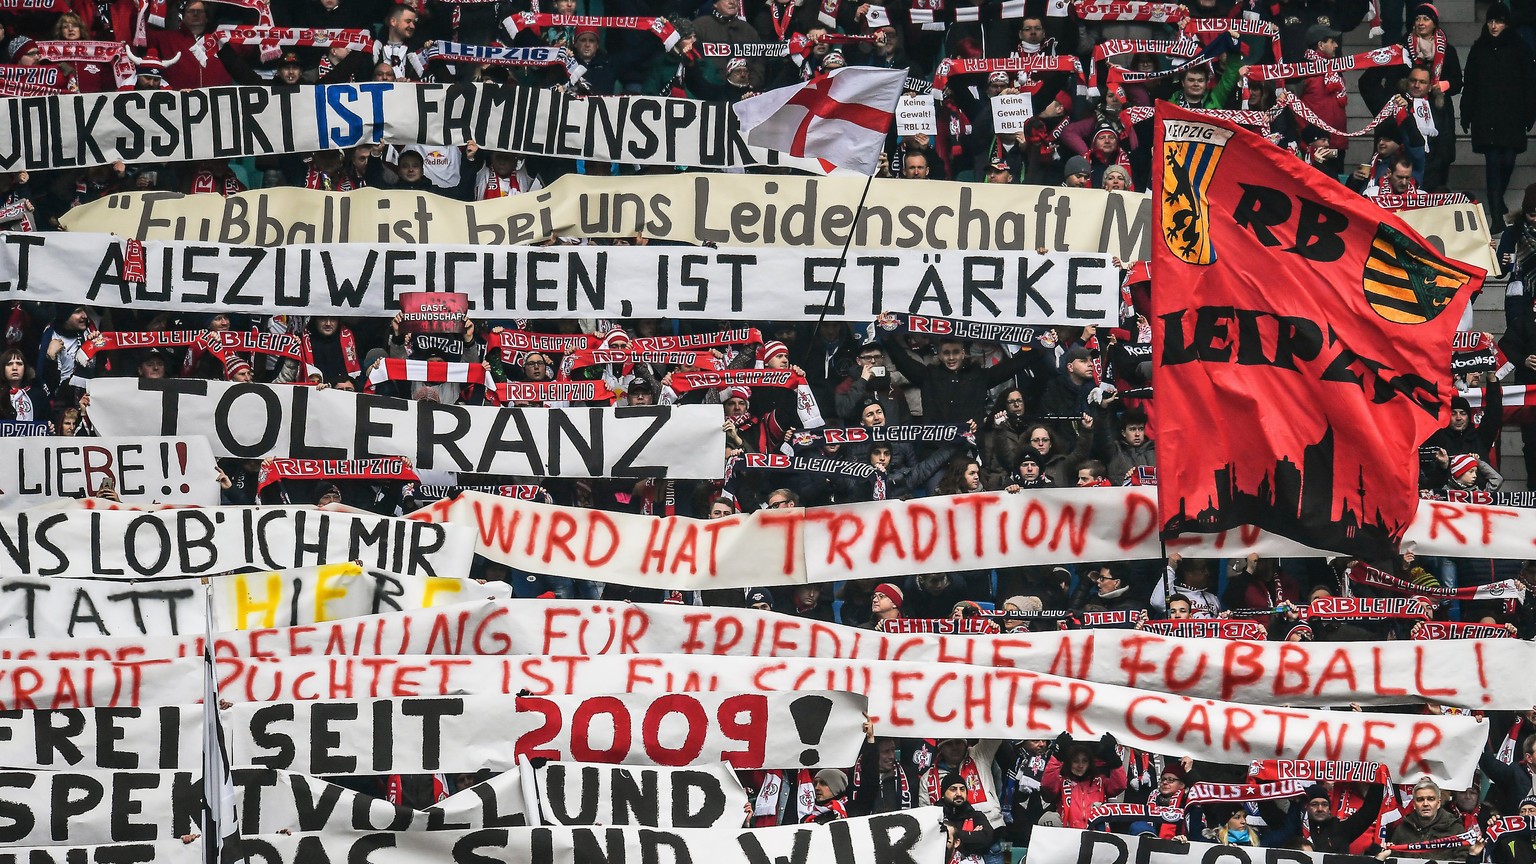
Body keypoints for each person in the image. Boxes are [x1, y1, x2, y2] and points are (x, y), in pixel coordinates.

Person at [1461, 3, 1536, 225]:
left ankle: (1497, 197)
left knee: (1508, 160)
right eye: (1491, 21)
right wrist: (1466, 112)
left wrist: (1530, 113)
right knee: (1493, 161)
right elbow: (1470, 84)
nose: (1494, 26)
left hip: (1512, 115)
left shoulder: (1520, 48)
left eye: (1499, 21)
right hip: (1485, 115)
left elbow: (1529, 84)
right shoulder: (1478, 49)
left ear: (1507, 23)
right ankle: (1495, 214)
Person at [1041, 733, 1127, 828]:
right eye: (1076, 761)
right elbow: (1047, 785)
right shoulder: (1062, 781)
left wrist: (1114, 758)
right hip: (1068, 834)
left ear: (1090, 763)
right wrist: (1058, 755)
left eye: (1084, 761)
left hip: (1095, 834)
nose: (1080, 765)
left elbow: (1120, 785)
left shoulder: (1099, 781)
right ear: (1069, 762)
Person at [1386, 778, 1483, 860]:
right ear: (1414, 805)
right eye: (1420, 799)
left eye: (1430, 799)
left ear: (1438, 803)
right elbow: (1394, 858)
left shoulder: (1455, 828)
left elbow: (1463, 858)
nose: (1425, 804)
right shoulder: (1402, 829)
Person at [941, 772, 995, 864]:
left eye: (962, 789)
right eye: (953, 789)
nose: (959, 793)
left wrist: (952, 835)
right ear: (943, 793)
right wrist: (972, 835)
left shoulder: (976, 816)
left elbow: (986, 839)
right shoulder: (936, 816)